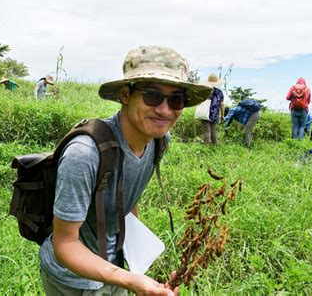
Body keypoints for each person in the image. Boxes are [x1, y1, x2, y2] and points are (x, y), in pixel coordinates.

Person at [39, 45, 212, 295]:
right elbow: (64, 243)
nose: (165, 110)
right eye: (152, 96)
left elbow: (128, 199)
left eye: (176, 99)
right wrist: (130, 280)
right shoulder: (85, 153)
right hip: (73, 279)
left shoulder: (158, 140)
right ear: (124, 94)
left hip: (115, 266)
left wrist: (136, 268)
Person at [200, 73, 224, 145]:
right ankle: (215, 145)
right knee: (213, 130)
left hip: (205, 112)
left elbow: (199, 101)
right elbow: (222, 105)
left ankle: (206, 146)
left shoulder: (205, 91)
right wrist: (222, 115)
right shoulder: (219, 92)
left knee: (207, 130)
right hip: (215, 113)